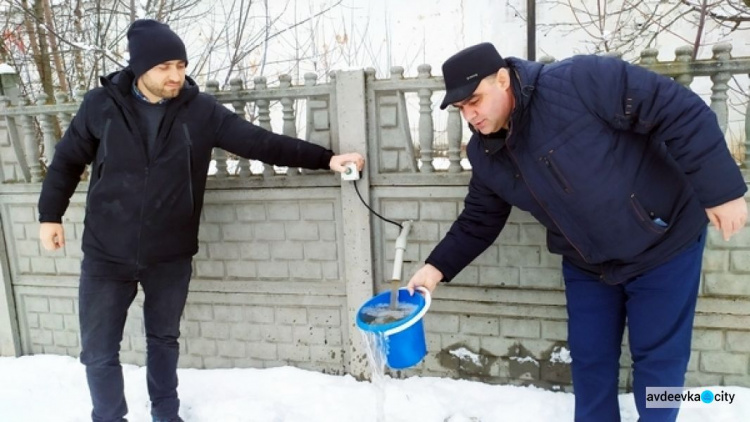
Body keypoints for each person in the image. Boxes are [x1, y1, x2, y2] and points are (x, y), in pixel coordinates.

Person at [37, 19, 364, 422]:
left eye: (180, 65)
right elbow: (67, 161)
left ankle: (166, 412)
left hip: (170, 254)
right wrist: (49, 215)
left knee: (163, 340)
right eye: (164, 67)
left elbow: (260, 142)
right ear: (140, 69)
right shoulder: (100, 106)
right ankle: (108, 416)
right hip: (106, 253)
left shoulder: (200, 111)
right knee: (99, 350)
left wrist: (326, 159)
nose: (175, 75)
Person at [406, 42, 747, 421]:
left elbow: (676, 109)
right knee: (590, 359)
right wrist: (434, 268)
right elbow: (480, 218)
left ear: (502, 79)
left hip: (662, 245)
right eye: (461, 109)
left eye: (475, 101)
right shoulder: (486, 153)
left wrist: (722, 191)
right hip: (589, 264)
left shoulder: (579, 82)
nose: (471, 117)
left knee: (658, 364)